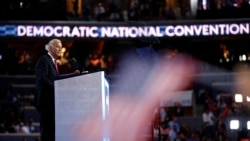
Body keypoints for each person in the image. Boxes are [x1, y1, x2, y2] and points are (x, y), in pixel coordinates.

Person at [34, 39, 80, 141]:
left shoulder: (53, 62)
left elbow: (57, 78)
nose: (60, 49)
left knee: (52, 133)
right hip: (46, 102)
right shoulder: (44, 60)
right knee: (47, 132)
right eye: (57, 46)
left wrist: (73, 75)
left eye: (61, 47)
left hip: (52, 103)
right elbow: (42, 78)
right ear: (50, 48)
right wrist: (57, 88)